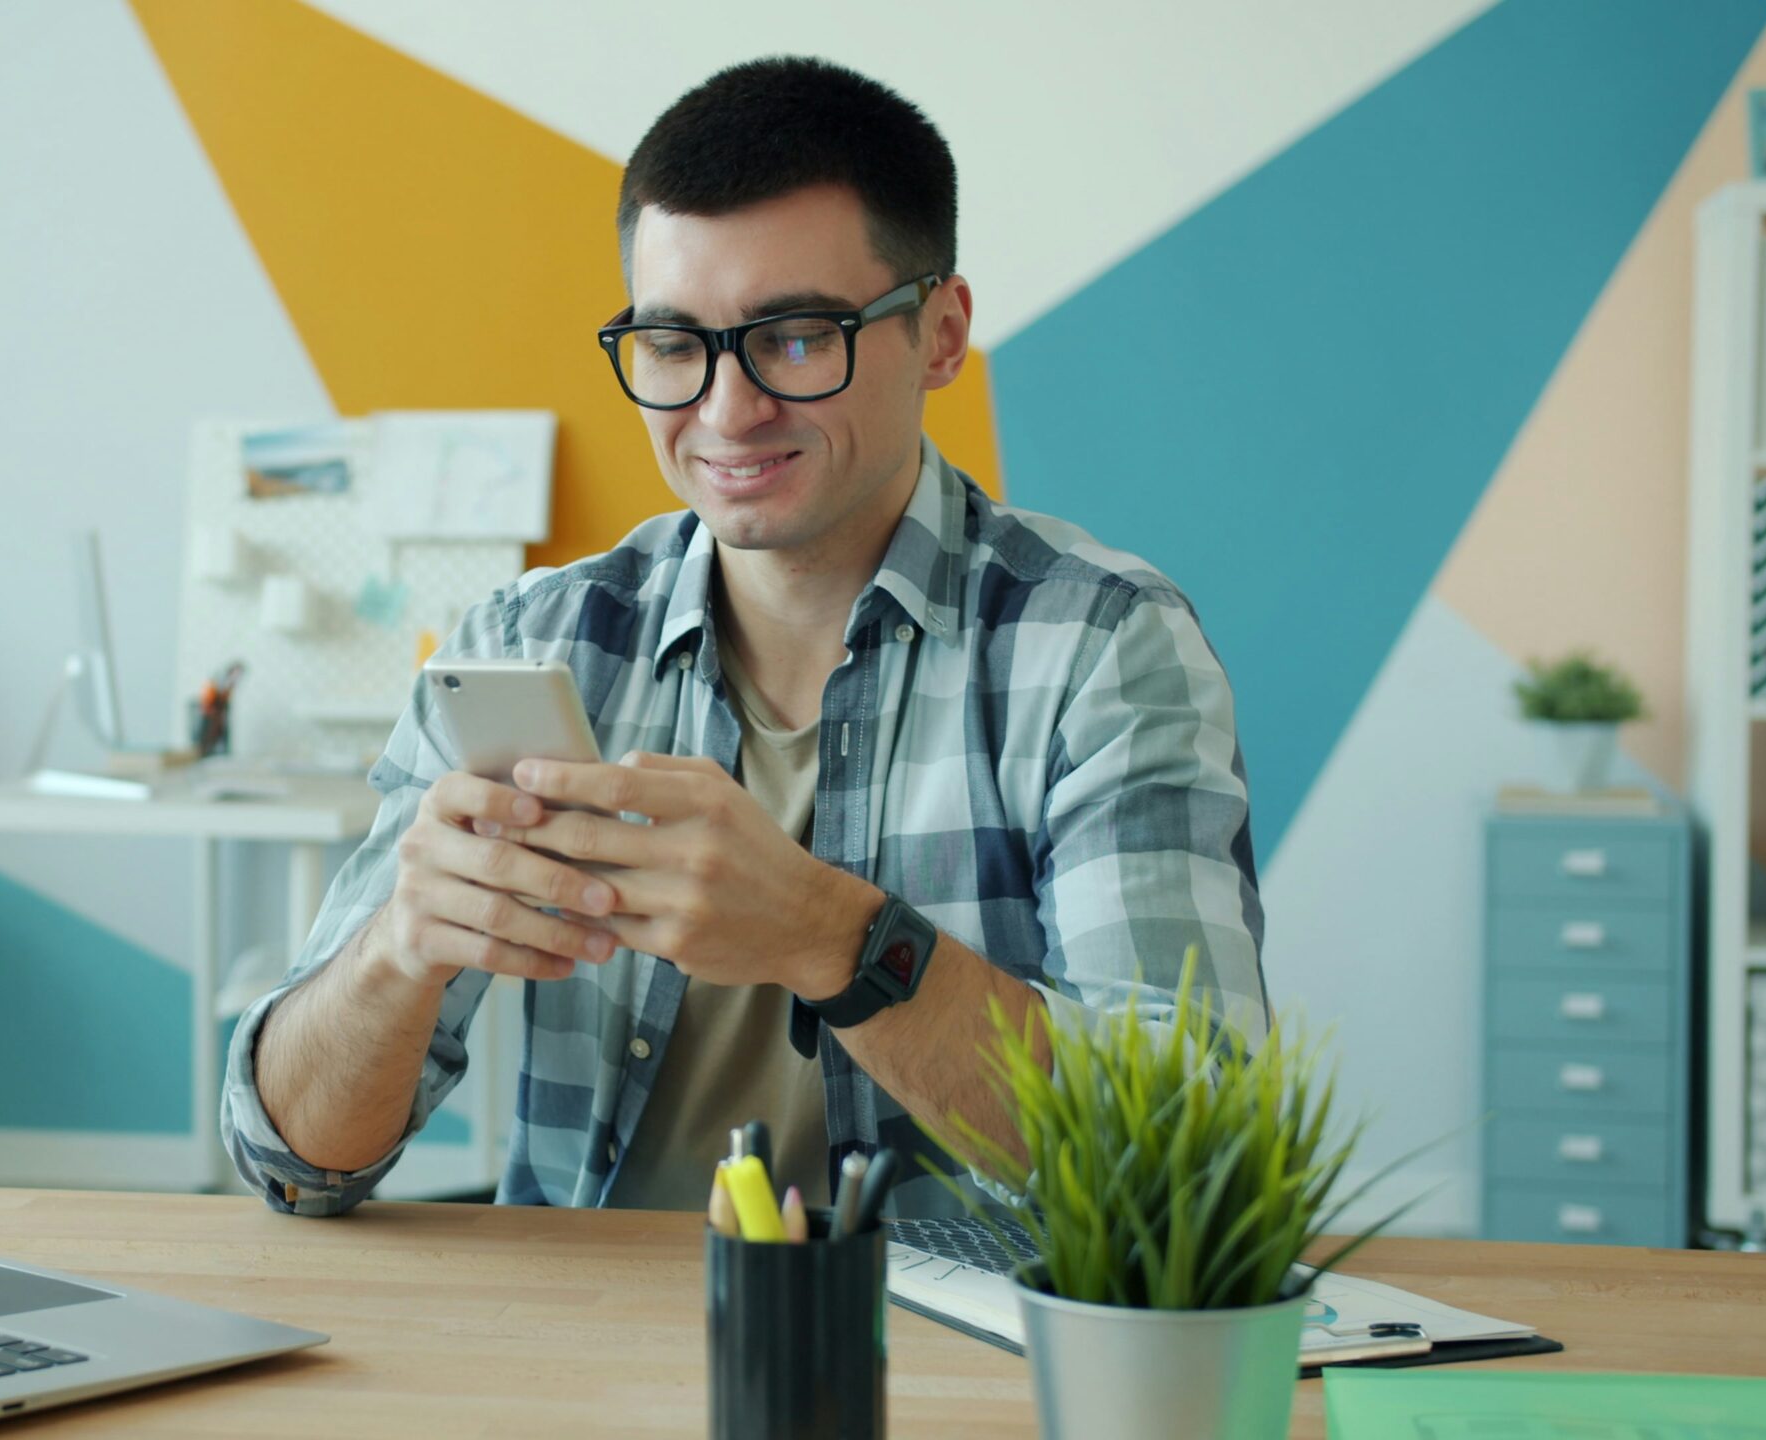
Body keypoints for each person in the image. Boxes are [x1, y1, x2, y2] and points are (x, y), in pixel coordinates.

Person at [222, 56, 1267, 1217]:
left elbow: (1192, 1167)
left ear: (938, 334)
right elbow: (290, 1165)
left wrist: (833, 938)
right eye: (672, 346)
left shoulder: (1101, 650)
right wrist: (394, 954)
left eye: (796, 337)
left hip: (952, 1373)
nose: (724, 411)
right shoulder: (535, 640)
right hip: (583, 1365)